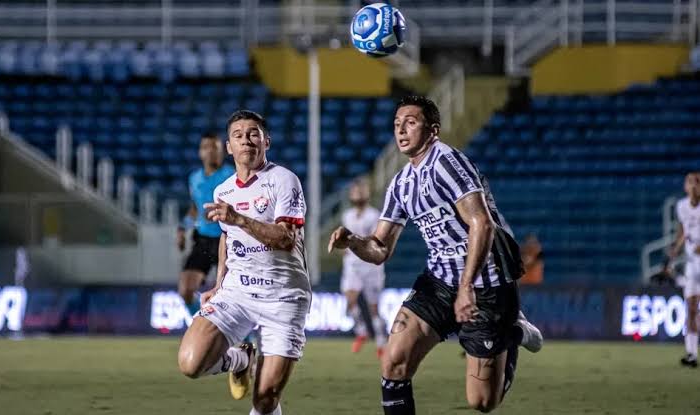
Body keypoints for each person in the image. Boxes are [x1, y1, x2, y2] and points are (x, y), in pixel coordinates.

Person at [328, 95, 542, 414]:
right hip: (439, 281)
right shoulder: (401, 184)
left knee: (482, 401)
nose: (401, 130)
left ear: (433, 130)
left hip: (487, 282)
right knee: (393, 362)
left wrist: (467, 287)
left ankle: (513, 332)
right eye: (397, 124)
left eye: (410, 122)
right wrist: (353, 241)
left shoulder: (447, 163)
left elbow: (482, 224)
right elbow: (380, 249)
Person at [178, 110, 310, 415]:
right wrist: (219, 285)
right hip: (238, 292)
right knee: (190, 363)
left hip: (283, 296)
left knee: (265, 400)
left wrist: (238, 218)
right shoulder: (223, 191)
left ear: (266, 141)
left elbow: (285, 238)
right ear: (229, 147)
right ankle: (241, 359)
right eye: (238, 135)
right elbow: (227, 238)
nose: (246, 140)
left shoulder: (284, 180)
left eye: (253, 134)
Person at [177, 132, 235, 315]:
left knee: (232, 295)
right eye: (206, 147)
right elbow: (195, 208)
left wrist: (225, 213)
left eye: (215, 147)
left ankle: (239, 333)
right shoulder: (194, 178)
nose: (211, 151)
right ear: (200, 152)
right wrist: (182, 228)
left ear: (222, 151)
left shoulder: (232, 175)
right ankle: (201, 322)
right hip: (203, 239)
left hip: (227, 240)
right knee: (186, 290)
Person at [340, 177, 387, 357]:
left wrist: (357, 243)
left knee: (373, 307)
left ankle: (381, 341)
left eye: (361, 191)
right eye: (355, 191)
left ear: (367, 194)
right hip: (352, 264)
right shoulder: (347, 215)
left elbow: (376, 239)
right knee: (350, 299)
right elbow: (345, 238)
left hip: (370, 264)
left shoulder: (374, 215)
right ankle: (361, 331)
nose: (358, 194)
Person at [667, 172, 700, 368]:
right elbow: (683, 231)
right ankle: (691, 354)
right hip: (691, 263)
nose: (693, 186)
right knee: (691, 308)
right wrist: (675, 249)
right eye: (690, 182)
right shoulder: (681, 206)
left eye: (697, 182)